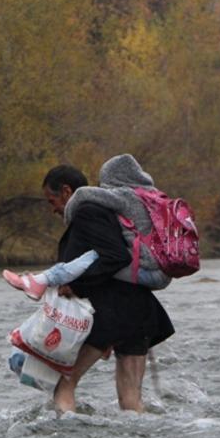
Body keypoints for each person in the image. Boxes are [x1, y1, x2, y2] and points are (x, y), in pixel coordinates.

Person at [33, 162, 175, 413]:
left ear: (67, 191)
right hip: (138, 312)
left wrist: (74, 283)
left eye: (51, 200)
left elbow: (114, 257)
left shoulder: (89, 211)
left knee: (63, 385)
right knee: (131, 401)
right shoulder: (108, 211)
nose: (52, 209)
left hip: (114, 313)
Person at [3, 154, 170, 299]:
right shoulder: (149, 197)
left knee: (93, 257)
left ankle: (40, 281)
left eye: (52, 202)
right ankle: (39, 283)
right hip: (158, 273)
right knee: (92, 259)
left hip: (144, 278)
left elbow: (84, 194)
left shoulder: (116, 201)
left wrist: (75, 285)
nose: (104, 187)